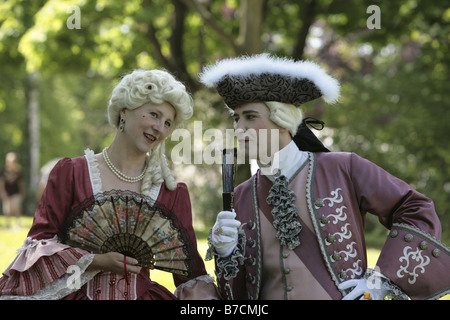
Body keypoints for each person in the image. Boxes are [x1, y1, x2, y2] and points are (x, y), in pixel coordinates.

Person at [200, 53, 450, 300]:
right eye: (236, 118)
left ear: (282, 120)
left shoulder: (344, 167)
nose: (239, 127)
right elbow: (237, 296)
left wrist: (382, 280)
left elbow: (415, 207)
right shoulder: (242, 195)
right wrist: (226, 253)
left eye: (250, 116)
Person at [0, 69, 218, 300]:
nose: (160, 128)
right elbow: (37, 246)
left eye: (167, 123)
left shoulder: (170, 191)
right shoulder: (71, 173)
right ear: (124, 111)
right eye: (154, 114)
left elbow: (190, 273)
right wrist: (94, 260)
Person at [0, 152, 25, 228]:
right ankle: (8, 224)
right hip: (7, 192)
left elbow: (20, 183)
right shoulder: (4, 170)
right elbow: (2, 182)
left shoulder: (18, 171)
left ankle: (18, 224)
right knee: (7, 209)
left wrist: (22, 193)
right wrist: (2, 192)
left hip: (16, 192)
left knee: (17, 208)